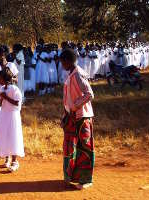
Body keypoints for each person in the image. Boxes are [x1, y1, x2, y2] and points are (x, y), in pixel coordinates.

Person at [59, 48, 95, 190]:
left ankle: (86, 179)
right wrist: (66, 113)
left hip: (82, 117)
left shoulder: (78, 74)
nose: (61, 65)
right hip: (73, 117)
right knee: (73, 147)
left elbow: (89, 94)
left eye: (62, 62)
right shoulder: (71, 74)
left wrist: (74, 106)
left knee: (85, 148)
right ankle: (75, 177)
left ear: (68, 61)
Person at [0, 67, 24, 172]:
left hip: (12, 116)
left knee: (13, 136)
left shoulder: (15, 89)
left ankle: (15, 161)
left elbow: (17, 103)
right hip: (4, 115)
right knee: (5, 136)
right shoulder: (1, 89)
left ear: (5, 79)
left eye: (0, 78)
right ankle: (7, 158)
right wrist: (2, 98)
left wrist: (5, 97)